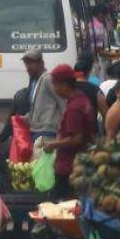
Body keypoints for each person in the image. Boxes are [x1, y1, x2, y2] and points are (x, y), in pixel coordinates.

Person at [41, 64, 96, 200]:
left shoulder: (74, 108)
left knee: (64, 207)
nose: (54, 89)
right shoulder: (82, 99)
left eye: (55, 85)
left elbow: (76, 139)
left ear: (65, 85)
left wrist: (53, 145)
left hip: (70, 166)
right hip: (80, 163)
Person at [24, 50, 64, 140]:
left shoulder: (48, 79)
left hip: (48, 131)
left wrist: (63, 130)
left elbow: (63, 103)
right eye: (26, 64)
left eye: (31, 63)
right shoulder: (35, 81)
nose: (28, 67)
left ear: (41, 63)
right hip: (36, 130)